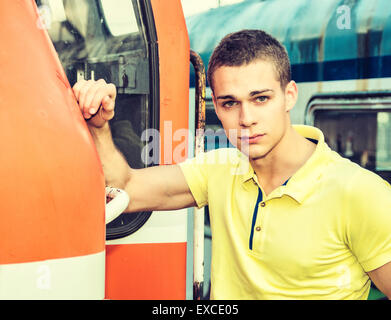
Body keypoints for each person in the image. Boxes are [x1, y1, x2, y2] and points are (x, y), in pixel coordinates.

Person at [72, 29, 391, 300]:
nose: (246, 119)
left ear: (289, 95)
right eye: (229, 103)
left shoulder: (360, 193)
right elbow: (123, 188)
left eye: (261, 99)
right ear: (215, 106)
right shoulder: (220, 168)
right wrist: (99, 126)